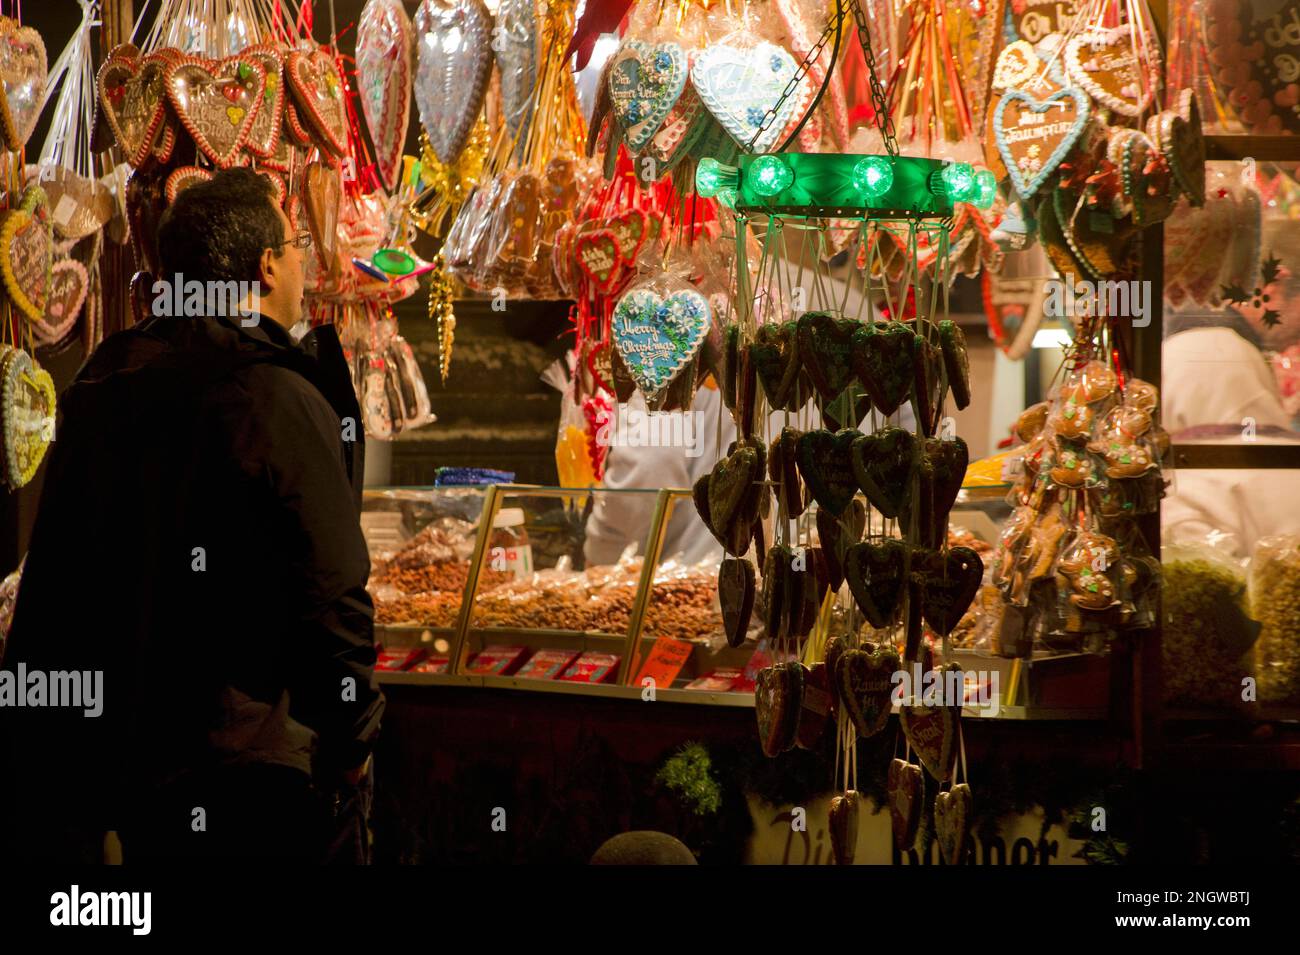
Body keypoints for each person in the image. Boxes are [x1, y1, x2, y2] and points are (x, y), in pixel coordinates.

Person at [0, 168, 383, 862]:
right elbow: (333, 594)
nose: (303, 262)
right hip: (256, 774)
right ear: (266, 265)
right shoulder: (275, 399)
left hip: (131, 771)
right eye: (296, 245)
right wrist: (353, 744)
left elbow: (54, 581)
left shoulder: (105, 386)